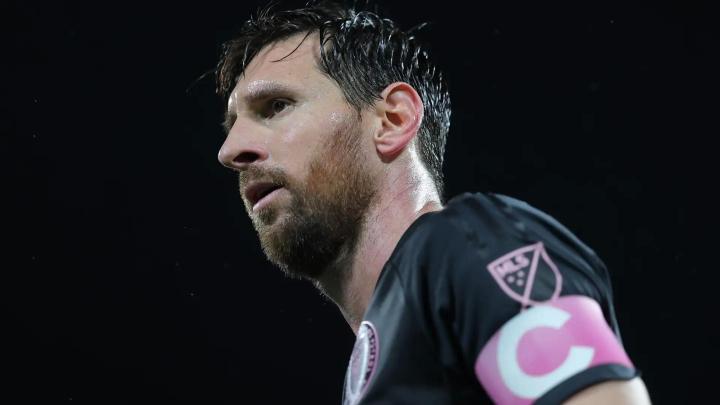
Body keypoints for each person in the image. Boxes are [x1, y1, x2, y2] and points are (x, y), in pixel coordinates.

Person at [215, 1, 651, 403]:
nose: (230, 150)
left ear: (393, 120)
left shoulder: (467, 246)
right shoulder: (378, 362)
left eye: (276, 106)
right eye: (232, 126)